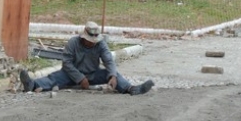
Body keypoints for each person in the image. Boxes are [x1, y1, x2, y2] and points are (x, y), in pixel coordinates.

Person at [18, 21, 154, 95]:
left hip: (92, 74)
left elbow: (108, 60)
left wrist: (112, 75)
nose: (92, 42)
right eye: (90, 39)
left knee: (112, 74)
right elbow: (67, 63)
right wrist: (80, 78)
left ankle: (131, 89)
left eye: (95, 39)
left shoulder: (101, 44)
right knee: (53, 78)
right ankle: (32, 85)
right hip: (71, 74)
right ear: (84, 36)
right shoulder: (73, 42)